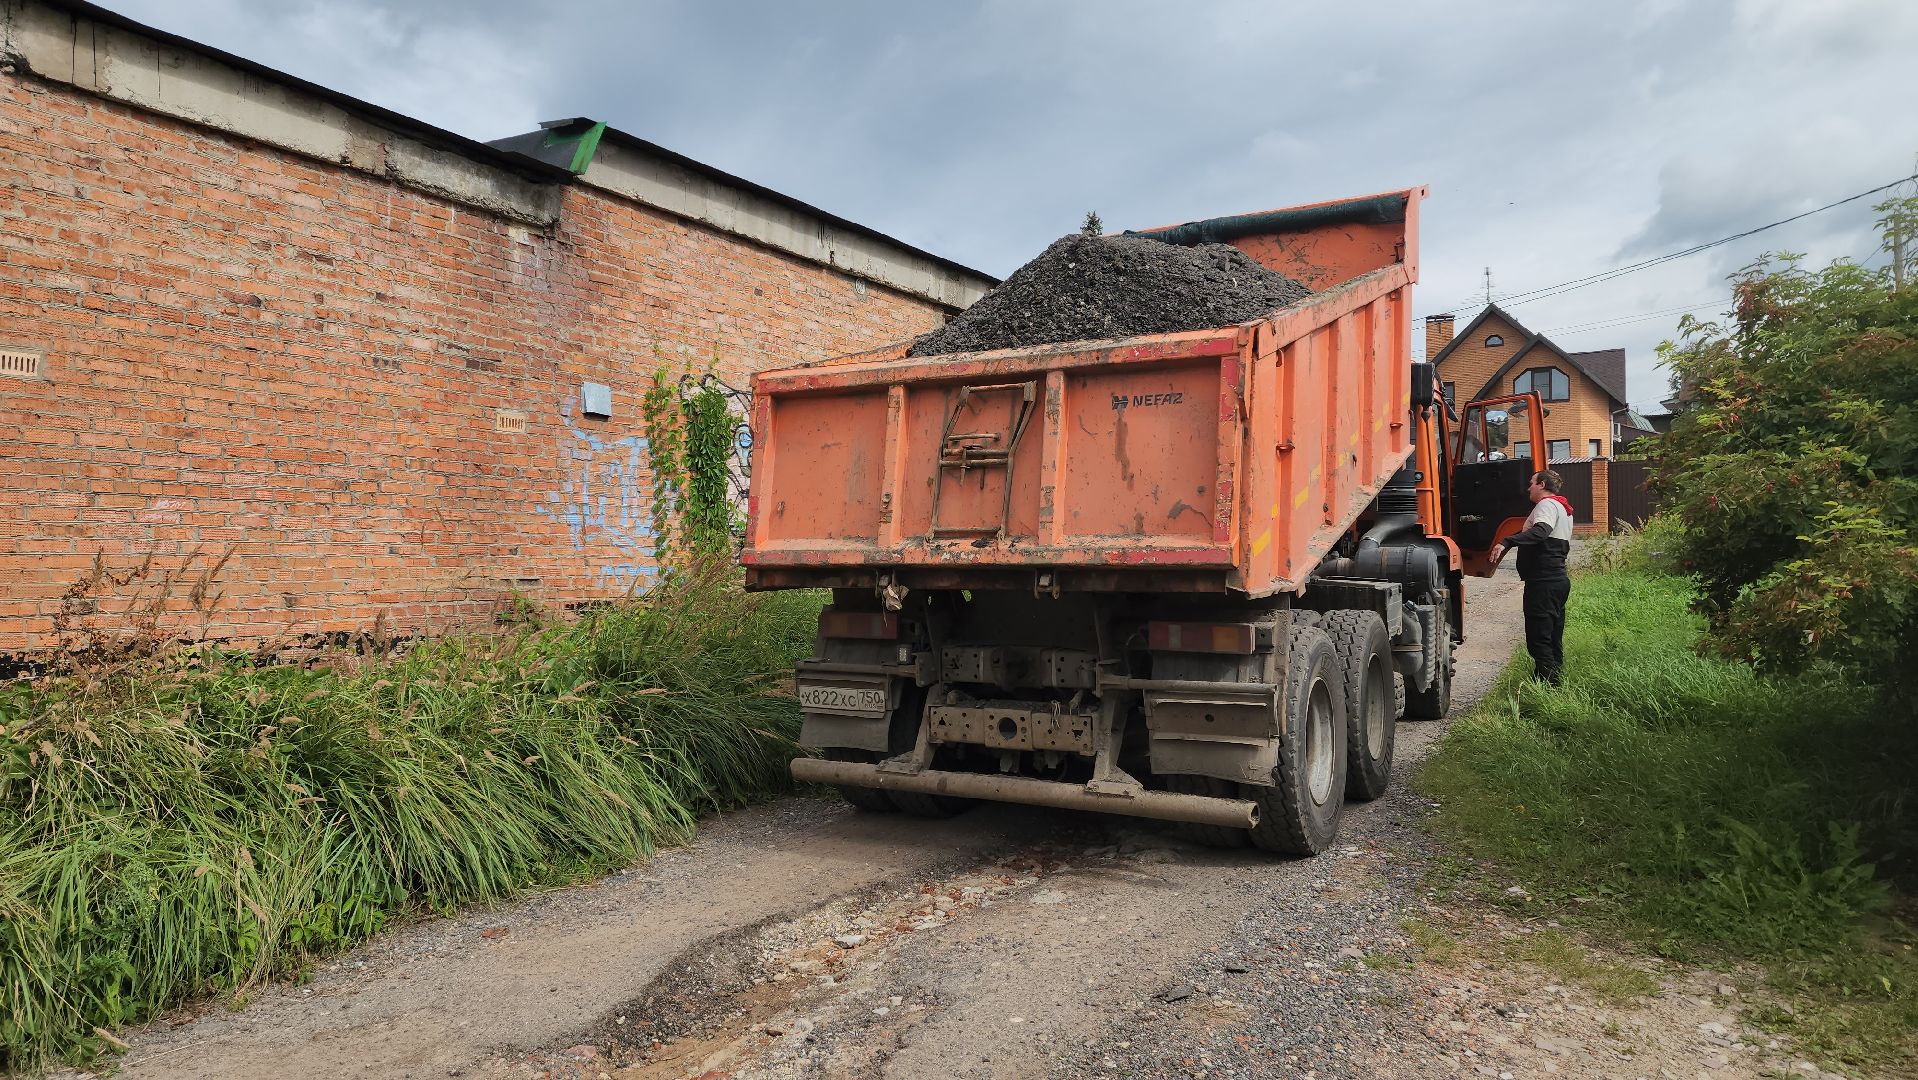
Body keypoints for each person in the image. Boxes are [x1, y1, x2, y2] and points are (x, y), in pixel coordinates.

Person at [1489, 470, 1574, 686]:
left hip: (1543, 582)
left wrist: (1507, 541)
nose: (1529, 488)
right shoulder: (1562, 508)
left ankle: (1547, 686)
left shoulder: (1546, 505)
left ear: (1542, 484)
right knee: (1552, 636)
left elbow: (1541, 532)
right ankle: (1553, 683)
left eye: (1532, 483)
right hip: (1557, 580)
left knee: (1539, 638)